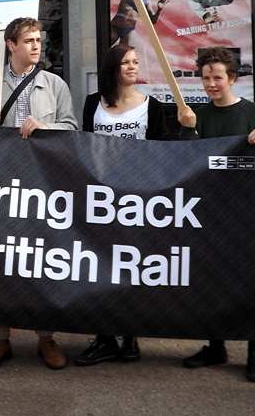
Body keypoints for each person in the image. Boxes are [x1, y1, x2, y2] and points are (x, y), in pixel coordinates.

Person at [0, 17, 77, 371]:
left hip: (43, 187)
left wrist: (47, 128)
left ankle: (46, 337)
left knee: (42, 260)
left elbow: (73, 130)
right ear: (10, 45)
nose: (36, 45)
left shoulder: (55, 84)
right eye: (28, 40)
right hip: (1, 186)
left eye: (39, 39)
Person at [177, 45, 255, 383]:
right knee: (211, 279)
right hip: (209, 210)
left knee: (249, 278)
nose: (211, 84)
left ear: (232, 78)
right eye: (206, 78)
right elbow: (183, 160)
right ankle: (216, 345)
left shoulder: (254, 112)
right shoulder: (199, 115)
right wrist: (187, 128)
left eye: (217, 78)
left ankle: (254, 351)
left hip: (249, 213)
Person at [74, 44, 166, 367]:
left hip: (138, 201)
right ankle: (104, 338)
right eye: (126, 62)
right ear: (112, 67)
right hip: (102, 201)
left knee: (131, 269)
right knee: (99, 269)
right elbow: (82, 148)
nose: (132, 67)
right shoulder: (91, 105)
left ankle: (130, 336)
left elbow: (164, 155)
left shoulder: (152, 107)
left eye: (136, 62)